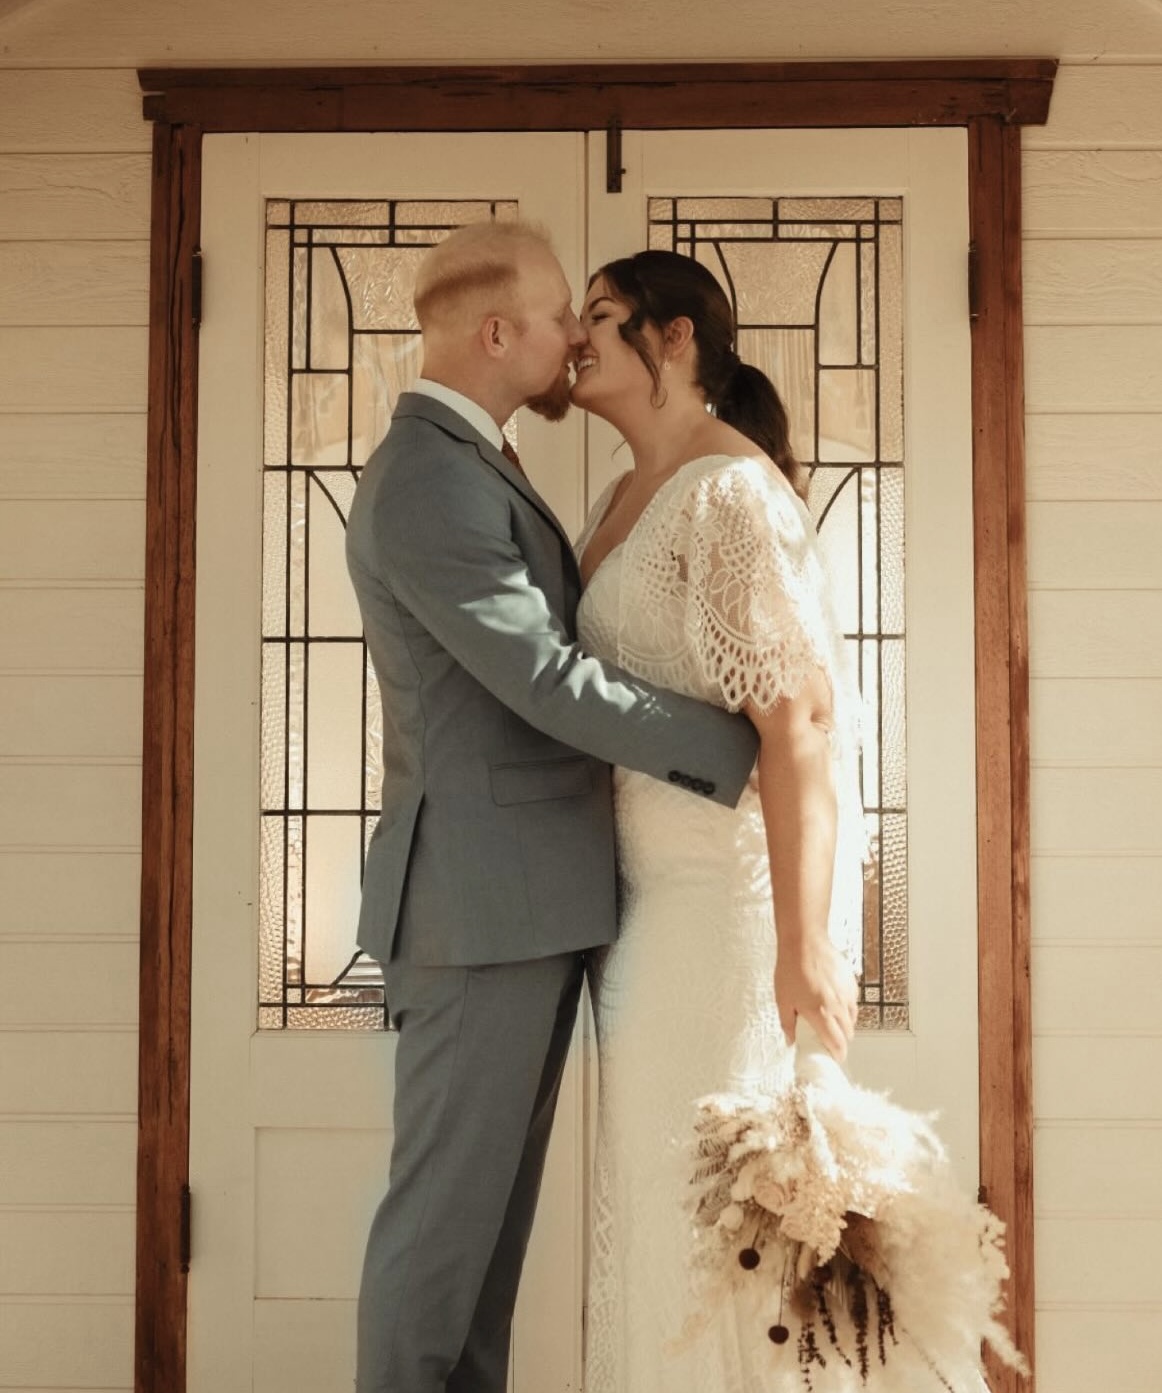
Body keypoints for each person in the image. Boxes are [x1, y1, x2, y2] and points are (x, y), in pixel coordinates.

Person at [344, 223, 760, 1393]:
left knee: (481, 1253)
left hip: (521, 904)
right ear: (496, 333)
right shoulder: (427, 475)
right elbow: (537, 676)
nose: (577, 334)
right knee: (439, 1245)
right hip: (479, 910)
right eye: (556, 316)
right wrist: (739, 747)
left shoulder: (475, 456)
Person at [569, 250, 863, 1392]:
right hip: (642, 909)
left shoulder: (733, 493)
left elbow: (796, 724)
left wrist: (804, 943)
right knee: (654, 1215)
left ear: (676, 336)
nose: (578, 337)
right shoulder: (623, 492)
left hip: (723, 917)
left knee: (716, 1229)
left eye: (601, 315)